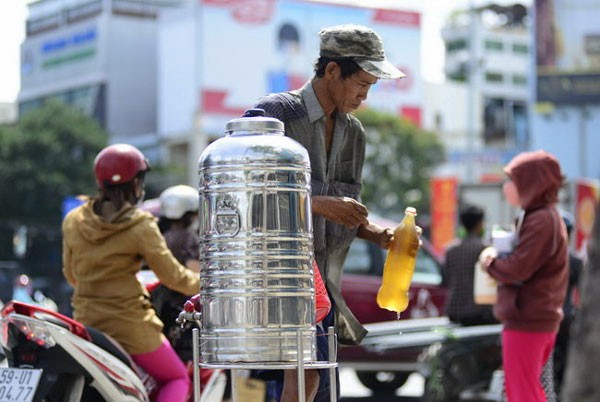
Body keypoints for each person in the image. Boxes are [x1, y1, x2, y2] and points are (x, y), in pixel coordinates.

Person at [253, 24, 406, 401]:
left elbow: (342, 215)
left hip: (324, 293)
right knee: (302, 386)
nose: (364, 97)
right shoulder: (275, 116)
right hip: (277, 289)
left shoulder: (354, 134)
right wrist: (317, 204)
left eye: (371, 87)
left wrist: (376, 234)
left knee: (319, 388)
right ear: (332, 70)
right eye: (361, 85)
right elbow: (244, 199)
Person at [62, 144, 200, 402]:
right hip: (131, 328)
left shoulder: (74, 220)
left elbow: (72, 276)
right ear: (136, 182)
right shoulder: (141, 225)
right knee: (176, 378)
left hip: (87, 325)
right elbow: (173, 277)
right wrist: (207, 285)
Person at [481, 150, 568, 402]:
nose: (506, 186)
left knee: (523, 393)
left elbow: (518, 268)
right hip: (535, 318)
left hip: (528, 319)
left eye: (511, 180)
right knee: (527, 390)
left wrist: (490, 262)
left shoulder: (541, 219)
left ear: (530, 183)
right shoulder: (541, 215)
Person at [443, 205, 496, 326]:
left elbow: (447, 278)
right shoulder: (485, 249)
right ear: (479, 223)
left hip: (454, 309)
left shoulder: (451, 249)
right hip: (479, 312)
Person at [552, 210, 583, 398]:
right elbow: (583, 292)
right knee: (566, 362)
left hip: (544, 317)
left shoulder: (543, 259)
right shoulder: (575, 261)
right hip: (567, 316)